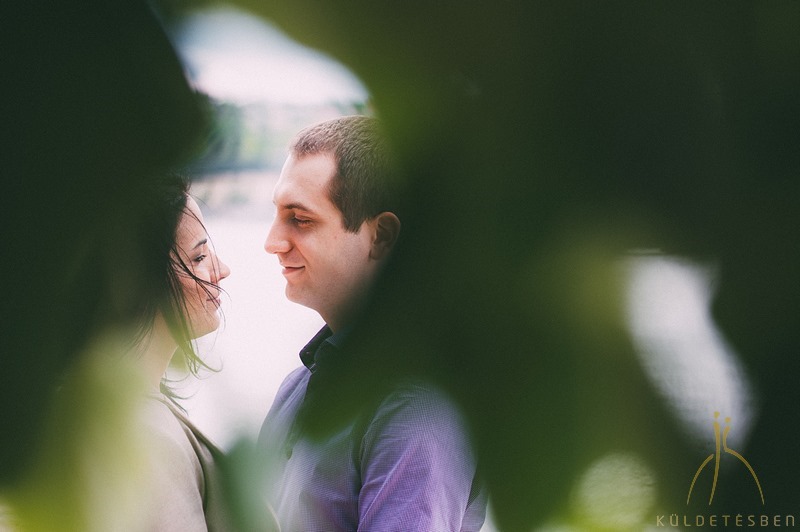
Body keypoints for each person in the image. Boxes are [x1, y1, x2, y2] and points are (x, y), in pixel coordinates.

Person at [259, 115, 487, 531]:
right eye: (276, 213)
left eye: (300, 219)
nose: (272, 242)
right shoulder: (299, 384)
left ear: (381, 236)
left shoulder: (418, 406)